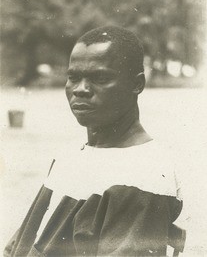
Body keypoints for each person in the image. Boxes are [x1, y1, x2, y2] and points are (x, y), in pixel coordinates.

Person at [4, 26, 183, 257]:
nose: (80, 90)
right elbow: (19, 246)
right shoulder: (70, 157)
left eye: (100, 78)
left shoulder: (144, 175)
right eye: (73, 77)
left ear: (137, 84)